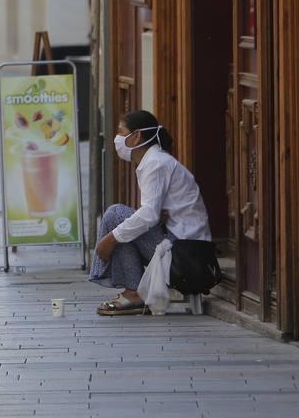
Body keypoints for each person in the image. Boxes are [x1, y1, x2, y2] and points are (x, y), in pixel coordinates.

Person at [91, 110, 212, 316]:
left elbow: (148, 215)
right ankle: (133, 290)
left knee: (115, 215)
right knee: (125, 224)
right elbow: (153, 215)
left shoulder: (156, 163)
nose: (117, 139)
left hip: (187, 257)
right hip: (185, 251)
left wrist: (109, 240)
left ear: (136, 136)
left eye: (121, 132)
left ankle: (134, 292)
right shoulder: (154, 161)